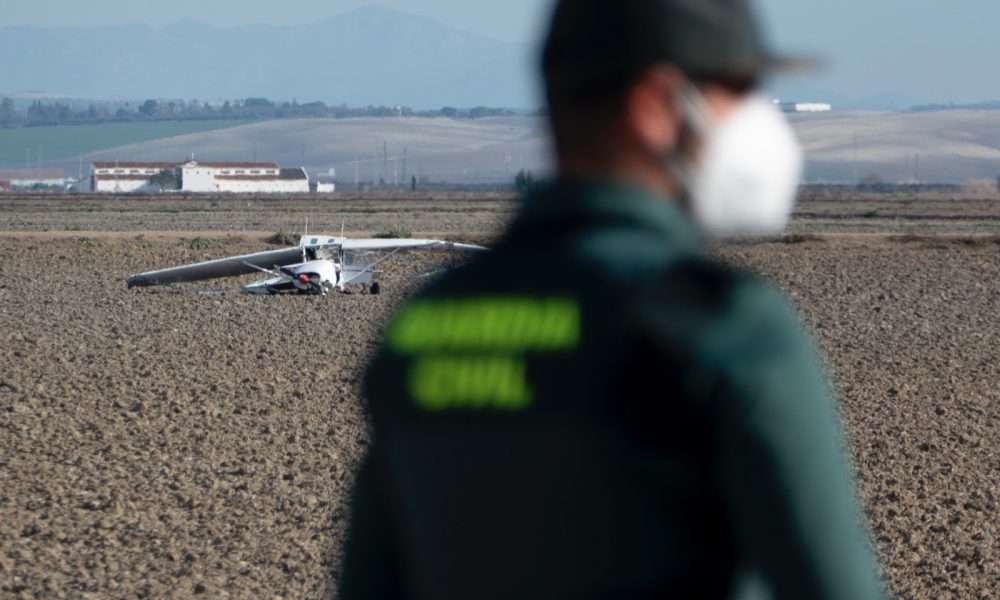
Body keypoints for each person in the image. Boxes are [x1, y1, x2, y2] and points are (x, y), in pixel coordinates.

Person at [340, 0, 885, 597]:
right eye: (739, 92)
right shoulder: (722, 327)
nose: (760, 121)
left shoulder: (427, 320)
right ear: (655, 106)